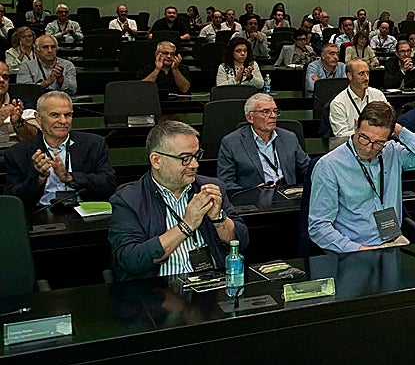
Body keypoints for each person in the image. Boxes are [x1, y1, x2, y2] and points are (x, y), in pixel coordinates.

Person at [108, 120, 247, 281]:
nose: (195, 164)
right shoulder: (127, 200)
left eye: (196, 156)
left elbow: (241, 241)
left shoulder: (211, 188)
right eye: (185, 158)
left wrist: (218, 218)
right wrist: (186, 226)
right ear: (156, 160)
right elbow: (131, 259)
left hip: (213, 284)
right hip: (159, 292)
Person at [308, 101, 415, 253]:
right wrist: (357, 249)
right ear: (356, 125)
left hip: (393, 241)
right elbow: (319, 227)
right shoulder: (329, 165)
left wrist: (400, 131)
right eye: (363, 137)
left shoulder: (392, 152)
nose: (368, 148)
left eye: (378, 142)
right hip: (353, 248)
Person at [4, 90, 117, 212]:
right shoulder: (17, 153)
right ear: (38, 118)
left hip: (84, 214)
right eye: (55, 115)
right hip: (39, 216)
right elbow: (12, 199)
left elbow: (109, 183)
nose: (63, 121)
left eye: (68, 115)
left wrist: (70, 177)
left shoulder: (94, 144)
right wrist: (38, 178)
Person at [216, 93, 310, 188]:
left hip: (287, 194)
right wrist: (252, 193)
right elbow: (226, 183)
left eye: (275, 111)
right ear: (250, 117)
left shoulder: (289, 138)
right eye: (266, 111)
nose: (273, 116)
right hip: (254, 199)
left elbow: (308, 170)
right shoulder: (231, 143)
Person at [329, 58, 387, 138]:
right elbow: (340, 135)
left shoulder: (378, 95)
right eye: (361, 74)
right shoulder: (338, 103)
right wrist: (360, 132)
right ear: (350, 76)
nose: (366, 78)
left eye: (368, 73)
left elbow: (387, 124)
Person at [0, 59, 36, 147]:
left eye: (5, 77)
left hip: (16, 152)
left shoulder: (20, 102)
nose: (1, 80)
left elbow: (33, 138)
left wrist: (19, 123)